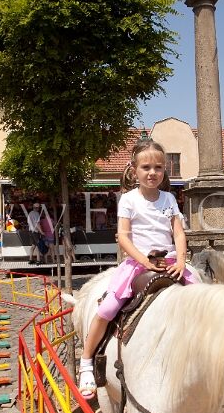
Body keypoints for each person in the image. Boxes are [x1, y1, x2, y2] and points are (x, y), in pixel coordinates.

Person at [78, 139, 200, 399]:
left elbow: (178, 233)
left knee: (202, 298)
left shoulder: (168, 198)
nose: (152, 172)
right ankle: (87, 360)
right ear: (135, 170)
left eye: (158, 167)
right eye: (146, 167)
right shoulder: (129, 200)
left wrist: (180, 260)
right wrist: (143, 261)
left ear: (164, 170)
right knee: (108, 308)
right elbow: (123, 236)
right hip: (138, 262)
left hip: (168, 262)